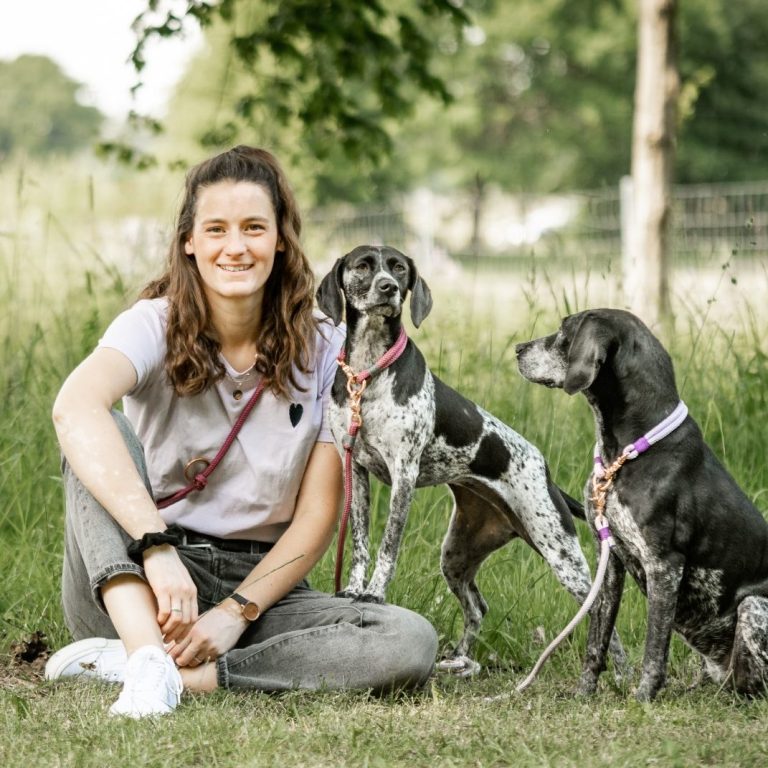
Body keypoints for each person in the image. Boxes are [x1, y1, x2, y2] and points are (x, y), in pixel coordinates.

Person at [45, 145, 438, 718]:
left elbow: (315, 517)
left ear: (281, 238)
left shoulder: (329, 348)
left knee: (408, 639)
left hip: (263, 586)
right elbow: (73, 407)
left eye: (254, 227)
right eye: (216, 229)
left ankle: (177, 673)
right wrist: (154, 548)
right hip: (137, 576)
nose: (236, 246)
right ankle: (146, 654)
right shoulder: (152, 323)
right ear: (189, 241)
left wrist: (236, 611)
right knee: (93, 432)